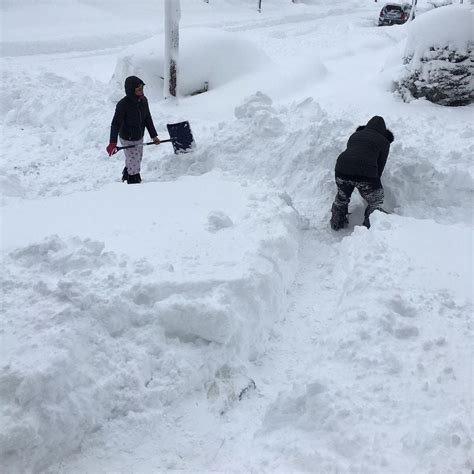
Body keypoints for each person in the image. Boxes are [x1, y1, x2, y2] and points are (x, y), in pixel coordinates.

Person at [330, 115, 394, 230]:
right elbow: (380, 166)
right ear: (384, 131)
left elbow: (353, 152)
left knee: (342, 197)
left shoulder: (355, 135)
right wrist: (374, 183)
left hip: (341, 169)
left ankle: (336, 222)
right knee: (376, 200)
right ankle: (371, 228)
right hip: (366, 173)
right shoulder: (384, 141)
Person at [106, 76, 160, 184]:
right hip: (127, 136)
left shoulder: (144, 101)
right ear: (131, 90)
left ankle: (127, 172)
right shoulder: (123, 105)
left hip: (139, 135)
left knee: (137, 158)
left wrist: (154, 136)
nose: (141, 92)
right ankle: (133, 179)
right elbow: (115, 124)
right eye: (138, 90)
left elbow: (147, 118)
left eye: (142, 89)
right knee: (134, 160)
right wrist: (112, 142)